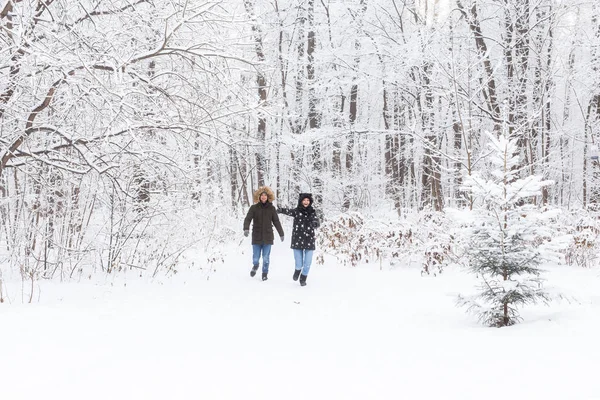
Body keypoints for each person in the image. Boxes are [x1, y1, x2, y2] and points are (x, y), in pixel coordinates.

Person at [277, 193, 321, 286]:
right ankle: (297, 270)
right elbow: (288, 211)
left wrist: (315, 223)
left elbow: (317, 221)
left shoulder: (312, 212)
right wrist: (280, 210)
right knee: (299, 262)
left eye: (308, 200)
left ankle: (303, 277)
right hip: (297, 238)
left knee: (308, 262)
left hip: (309, 239)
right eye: (304, 200)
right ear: (301, 201)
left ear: (310, 202)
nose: (306, 202)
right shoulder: (297, 211)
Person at [243, 186, 284, 281]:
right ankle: (255, 265)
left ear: (268, 197)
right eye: (262, 195)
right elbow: (248, 219)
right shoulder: (254, 208)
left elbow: (276, 221)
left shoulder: (272, 208)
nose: (264, 197)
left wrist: (281, 233)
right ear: (259, 197)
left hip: (268, 237)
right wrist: (246, 228)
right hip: (256, 236)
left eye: (265, 195)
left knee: (266, 257)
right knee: (256, 257)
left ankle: (265, 273)